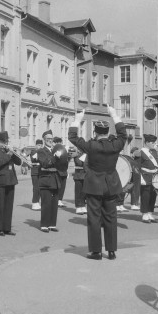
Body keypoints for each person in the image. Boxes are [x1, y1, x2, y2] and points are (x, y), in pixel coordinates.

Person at [68, 105, 127, 260]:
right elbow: (123, 134)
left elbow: (73, 137)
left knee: (94, 218)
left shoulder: (91, 146)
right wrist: (114, 115)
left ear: (95, 132)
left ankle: (96, 251)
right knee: (111, 218)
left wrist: (78, 119)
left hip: (94, 185)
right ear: (107, 132)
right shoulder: (116, 145)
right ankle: (112, 251)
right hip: (111, 185)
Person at [0, 131, 21, 236]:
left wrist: (15, 152)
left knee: (8, 205)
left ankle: (7, 228)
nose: (5, 143)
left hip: (10, 180)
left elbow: (19, 162)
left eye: (6, 141)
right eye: (4, 141)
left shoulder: (8, 150)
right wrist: (8, 154)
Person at [35, 130, 62, 233]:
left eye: (51, 139)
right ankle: (44, 225)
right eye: (48, 139)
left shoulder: (55, 150)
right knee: (46, 203)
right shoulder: (41, 151)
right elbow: (45, 163)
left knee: (54, 203)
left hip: (55, 179)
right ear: (44, 140)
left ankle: (52, 224)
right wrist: (55, 157)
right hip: (45, 179)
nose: (50, 140)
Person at [139, 135, 158, 223]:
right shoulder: (140, 152)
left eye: (155, 143)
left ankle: (150, 213)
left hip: (154, 176)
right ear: (147, 142)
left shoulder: (154, 152)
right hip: (145, 176)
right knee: (145, 195)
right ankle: (144, 214)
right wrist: (140, 178)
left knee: (153, 195)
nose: (154, 144)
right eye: (153, 143)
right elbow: (137, 167)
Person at [52, 137, 69, 208]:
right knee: (57, 186)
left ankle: (60, 200)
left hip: (63, 170)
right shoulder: (52, 150)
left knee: (62, 186)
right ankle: (55, 200)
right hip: (56, 170)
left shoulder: (63, 149)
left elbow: (65, 161)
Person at [30, 139, 43, 211]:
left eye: (41, 145)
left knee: (40, 187)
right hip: (35, 171)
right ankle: (34, 202)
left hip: (41, 171)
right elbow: (34, 158)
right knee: (36, 187)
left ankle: (37, 202)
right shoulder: (33, 152)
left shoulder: (41, 151)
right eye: (38, 145)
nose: (40, 147)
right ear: (36, 145)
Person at [73, 148, 87, 215]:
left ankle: (83, 205)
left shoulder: (86, 155)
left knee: (84, 192)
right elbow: (78, 163)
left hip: (85, 176)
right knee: (78, 192)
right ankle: (78, 206)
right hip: (78, 176)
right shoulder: (76, 155)